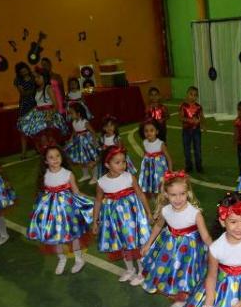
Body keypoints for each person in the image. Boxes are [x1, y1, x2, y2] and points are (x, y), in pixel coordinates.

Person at [140, 171, 212, 307]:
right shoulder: (165, 210)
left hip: (190, 250)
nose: (178, 199)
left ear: (188, 193)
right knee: (173, 272)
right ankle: (179, 298)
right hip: (170, 247)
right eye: (173, 195)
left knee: (186, 273)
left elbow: (205, 236)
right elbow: (158, 226)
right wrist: (148, 243)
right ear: (166, 194)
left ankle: (182, 299)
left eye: (182, 194)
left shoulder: (195, 213)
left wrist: (216, 251)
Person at [26, 145, 93, 274]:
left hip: (68, 211)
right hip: (51, 212)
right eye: (51, 157)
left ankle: (79, 259)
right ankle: (61, 258)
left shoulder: (68, 174)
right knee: (55, 236)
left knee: (74, 236)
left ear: (62, 157)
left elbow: (76, 192)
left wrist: (91, 201)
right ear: (46, 161)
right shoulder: (44, 175)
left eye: (57, 156)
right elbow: (42, 193)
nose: (55, 159)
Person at [92, 146, 152, 283]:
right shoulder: (101, 182)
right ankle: (130, 269)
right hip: (114, 220)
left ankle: (142, 271)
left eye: (123, 161)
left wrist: (148, 212)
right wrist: (95, 221)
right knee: (122, 243)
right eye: (117, 162)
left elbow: (140, 194)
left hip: (132, 218)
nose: (122, 165)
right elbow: (98, 201)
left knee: (135, 243)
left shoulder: (129, 177)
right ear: (107, 164)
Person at [138, 119, 173, 201]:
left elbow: (169, 158)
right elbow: (145, 153)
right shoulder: (144, 142)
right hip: (148, 168)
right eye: (146, 131)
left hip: (159, 169)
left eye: (151, 130)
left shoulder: (160, 144)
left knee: (159, 183)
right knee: (149, 182)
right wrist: (143, 166)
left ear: (157, 131)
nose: (148, 133)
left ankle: (160, 197)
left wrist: (170, 171)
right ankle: (152, 194)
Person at [64, 103, 98, 184]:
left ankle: (95, 176)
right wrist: (70, 140)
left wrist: (94, 142)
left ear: (78, 113)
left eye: (71, 113)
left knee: (90, 160)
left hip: (87, 143)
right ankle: (86, 174)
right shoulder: (74, 122)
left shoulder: (84, 122)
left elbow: (92, 132)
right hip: (79, 143)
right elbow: (74, 133)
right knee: (81, 160)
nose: (70, 115)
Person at [14, 62, 37, 159]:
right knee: (23, 130)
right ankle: (23, 153)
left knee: (36, 128)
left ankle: (38, 148)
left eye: (24, 69)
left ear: (27, 68)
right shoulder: (18, 80)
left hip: (36, 104)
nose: (23, 71)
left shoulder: (34, 76)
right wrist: (35, 90)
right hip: (25, 106)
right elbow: (23, 93)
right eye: (21, 71)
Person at [179, 86, 204, 173]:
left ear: (197, 97)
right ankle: (188, 165)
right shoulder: (183, 106)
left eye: (195, 95)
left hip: (196, 131)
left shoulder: (198, 107)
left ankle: (199, 165)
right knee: (187, 149)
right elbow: (181, 118)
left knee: (197, 148)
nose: (193, 97)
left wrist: (202, 124)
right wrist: (189, 120)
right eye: (191, 94)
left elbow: (202, 117)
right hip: (186, 131)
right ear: (187, 95)